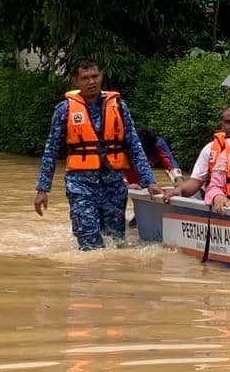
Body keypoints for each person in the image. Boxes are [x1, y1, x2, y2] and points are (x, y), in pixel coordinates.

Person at [34, 57, 165, 250]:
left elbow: (134, 145)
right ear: (75, 81)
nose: (91, 82)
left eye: (95, 76)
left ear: (101, 76)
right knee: (89, 240)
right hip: (80, 185)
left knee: (116, 241)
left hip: (113, 184)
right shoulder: (65, 109)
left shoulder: (119, 106)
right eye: (85, 78)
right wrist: (42, 189)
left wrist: (149, 181)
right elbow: (50, 150)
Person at [171, 105, 230, 199]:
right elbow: (196, 182)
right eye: (228, 122)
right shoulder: (209, 149)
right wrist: (180, 190)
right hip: (216, 201)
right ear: (222, 125)